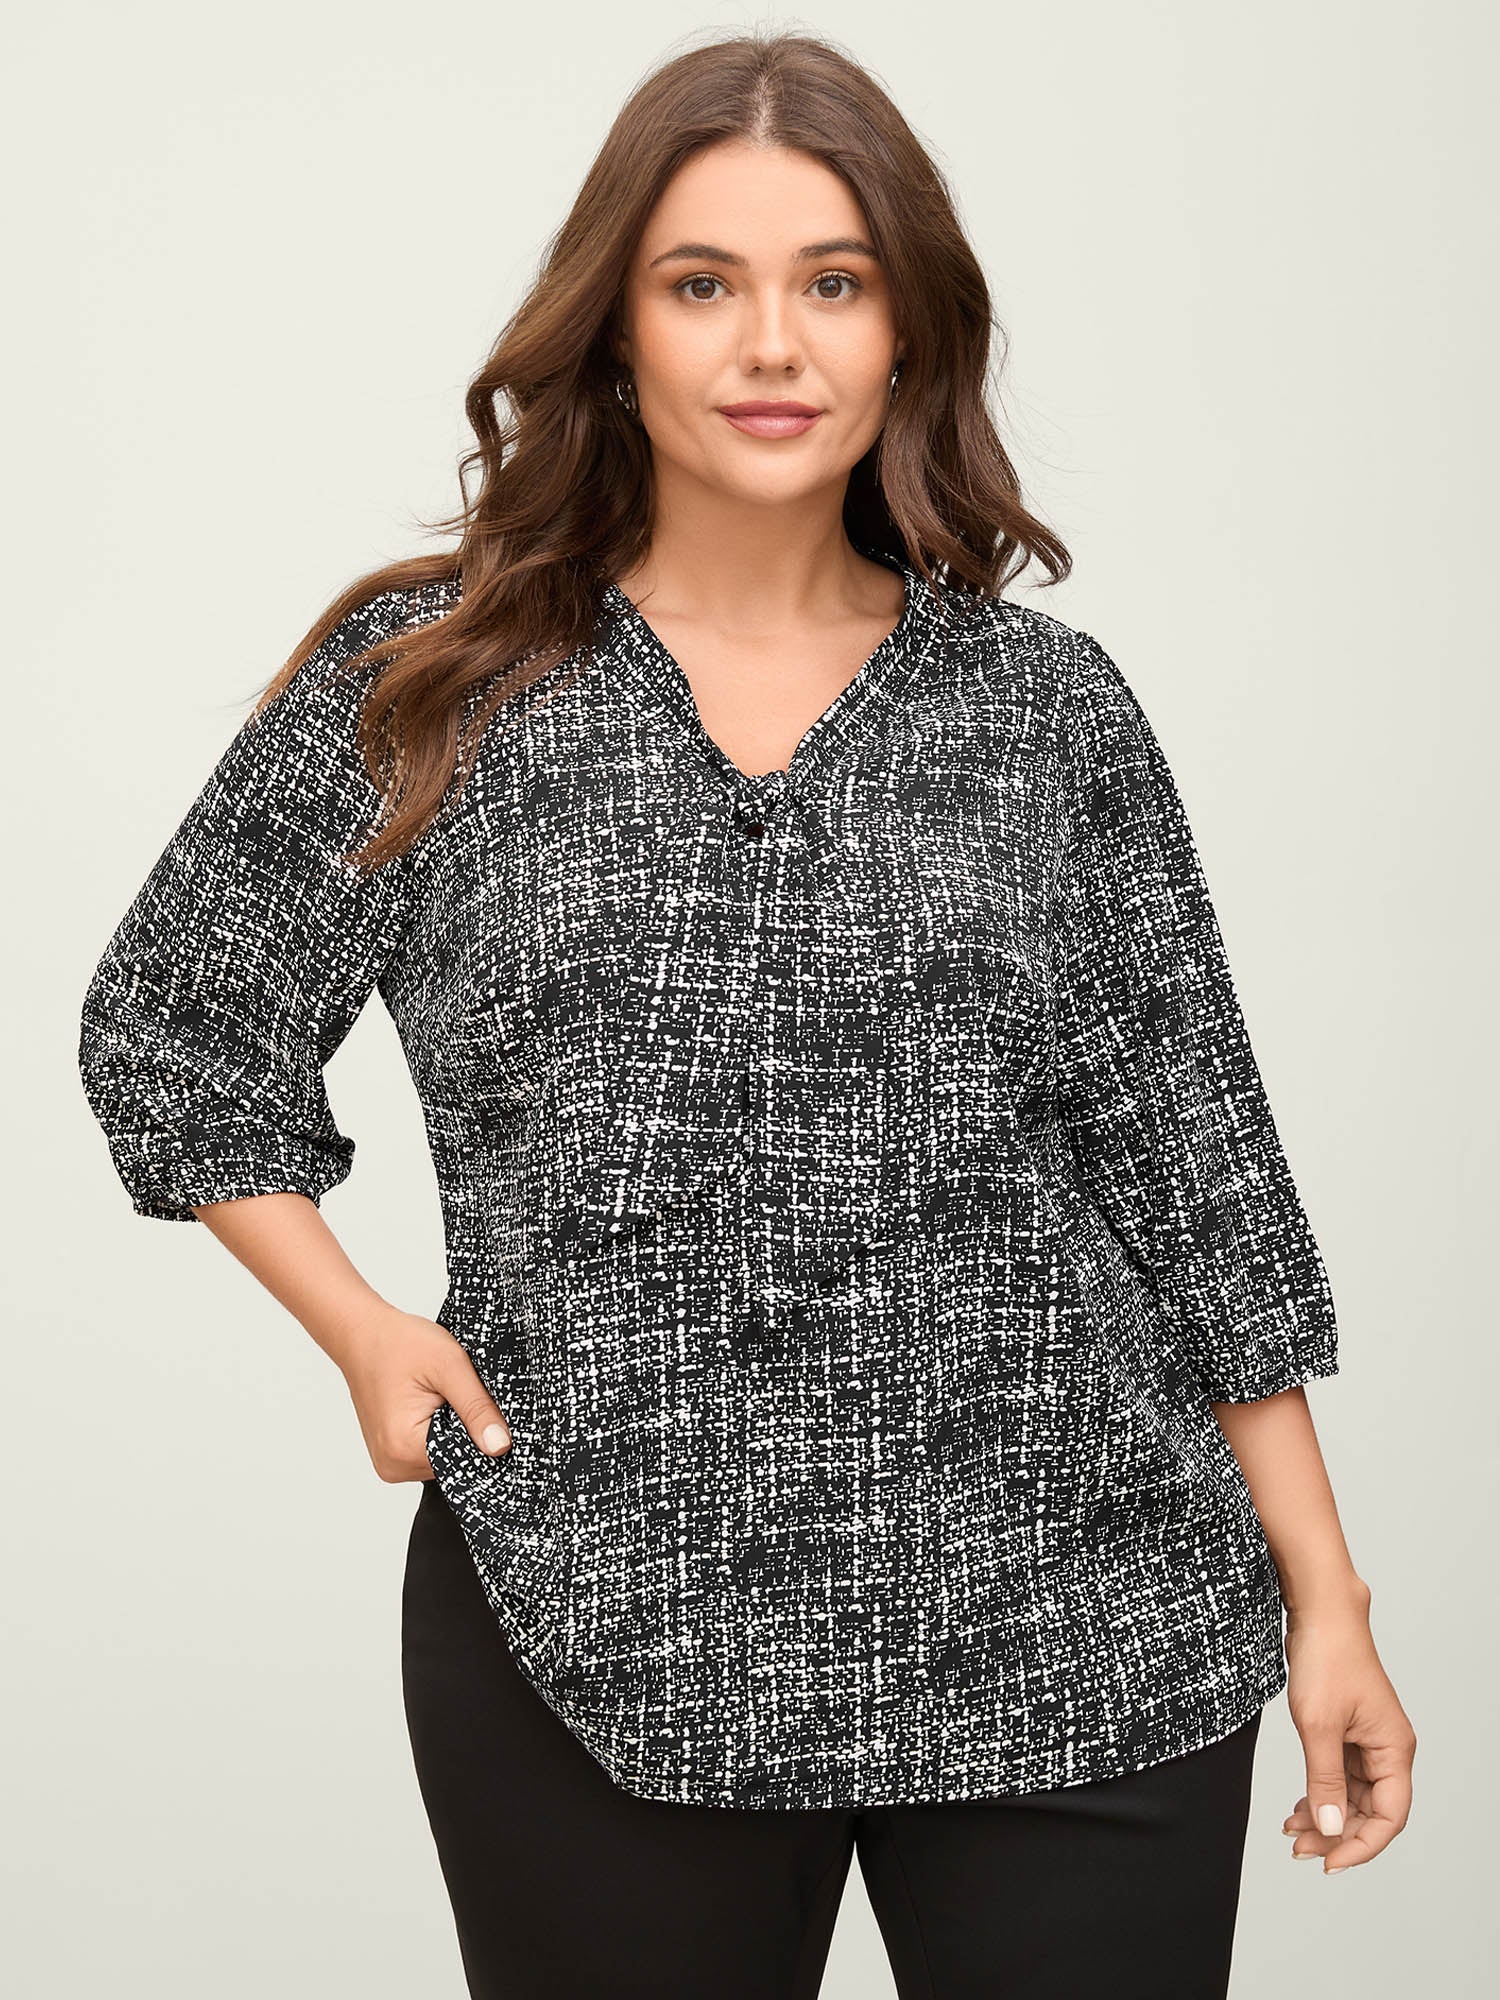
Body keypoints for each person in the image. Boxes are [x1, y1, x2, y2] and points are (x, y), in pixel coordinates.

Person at [76, 30, 1415, 2000]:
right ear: (617, 331)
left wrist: (1331, 1598)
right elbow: (179, 1028)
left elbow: (1197, 1174)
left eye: (834, 282)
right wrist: (362, 1327)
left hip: (1085, 1618)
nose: (771, 343)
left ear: (906, 335)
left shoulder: (1048, 712)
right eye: (703, 283)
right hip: (601, 1615)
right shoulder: (435, 680)